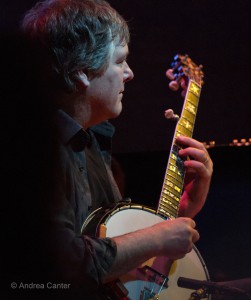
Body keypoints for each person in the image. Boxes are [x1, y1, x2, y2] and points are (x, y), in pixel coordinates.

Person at [6, 0, 214, 299]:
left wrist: (182, 210)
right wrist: (154, 237)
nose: (129, 74)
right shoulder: (31, 153)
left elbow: (110, 250)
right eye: (119, 61)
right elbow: (63, 264)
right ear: (82, 71)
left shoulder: (88, 142)